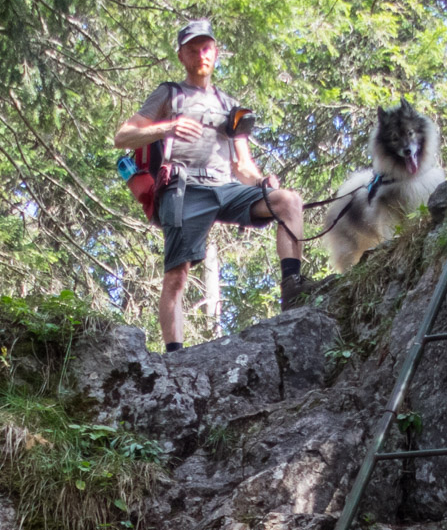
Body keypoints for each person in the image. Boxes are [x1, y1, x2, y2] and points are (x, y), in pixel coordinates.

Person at [113, 19, 306, 353]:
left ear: (216, 53)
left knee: (287, 201)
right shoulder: (168, 94)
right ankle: (175, 355)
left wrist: (261, 181)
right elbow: (122, 136)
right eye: (193, 49)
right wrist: (167, 128)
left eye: (206, 48)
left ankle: (293, 288)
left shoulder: (230, 106)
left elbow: (242, 165)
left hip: (226, 188)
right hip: (183, 189)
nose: (201, 54)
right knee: (177, 275)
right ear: (181, 55)